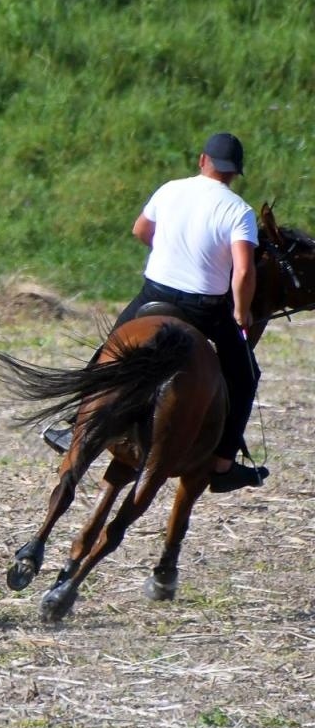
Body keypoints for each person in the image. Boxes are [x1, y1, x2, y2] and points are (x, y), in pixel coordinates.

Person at [43, 132, 264, 492]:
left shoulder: (169, 189)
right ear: (235, 173)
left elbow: (141, 230)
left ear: (202, 160)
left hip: (154, 293)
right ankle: (224, 466)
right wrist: (241, 313)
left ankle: (74, 427)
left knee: (108, 351)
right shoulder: (239, 211)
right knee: (245, 375)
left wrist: (170, 251)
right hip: (204, 309)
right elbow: (243, 271)